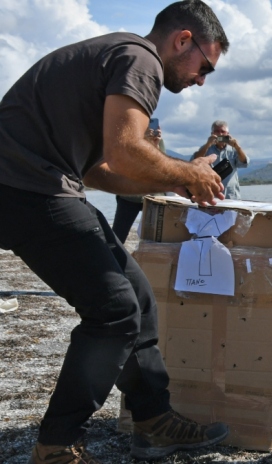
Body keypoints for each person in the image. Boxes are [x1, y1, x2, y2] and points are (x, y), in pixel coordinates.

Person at [0, 1, 232, 462]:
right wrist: (185, 170)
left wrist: (179, 179)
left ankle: (153, 420)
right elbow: (126, 151)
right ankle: (55, 445)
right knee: (114, 312)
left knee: (138, 296)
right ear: (182, 40)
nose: (202, 79)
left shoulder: (115, 56)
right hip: (24, 188)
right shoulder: (140, 59)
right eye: (204, 65)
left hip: (39, 184)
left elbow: (103, 171)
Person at [112, 124, 166, 243]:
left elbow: (162, 169)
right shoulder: (128, 138)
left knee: (153, 239)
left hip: (154, 197)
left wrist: (155, 145)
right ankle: (112, 260)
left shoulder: (158, 141)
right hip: (130, 195)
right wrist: (141, 142)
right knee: (117, 236)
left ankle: (143, 259)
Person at [191, 120, 249, 199]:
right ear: (212, 134)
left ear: (228, 134)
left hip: (231, 196)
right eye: (217, 131)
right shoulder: (206, 149)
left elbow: (244, 163)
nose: (220, 134)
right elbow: (195, 162)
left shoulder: (234, 150)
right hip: (211, 196)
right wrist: (208, 144)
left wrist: (237, 147)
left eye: (223, 132)